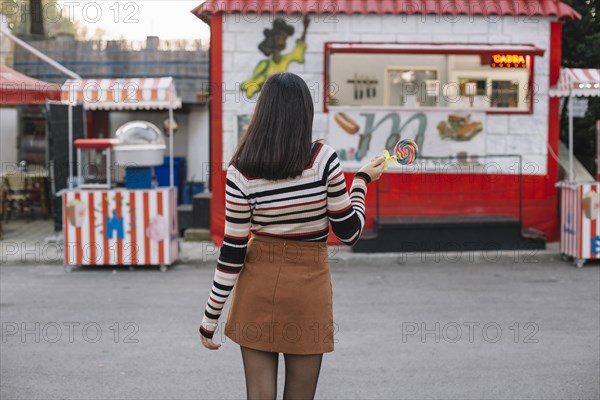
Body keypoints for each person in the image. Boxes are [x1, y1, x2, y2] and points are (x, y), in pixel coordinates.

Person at [199, 72, 385, 399]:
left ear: (263, 112)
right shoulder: (322, 159)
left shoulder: (241, 170)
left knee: (259, 395)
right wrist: (361, 182)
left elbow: (232, 252)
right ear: (305, 113)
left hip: (257, 287)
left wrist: (210, 316)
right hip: (307, 289)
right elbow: (350, 232)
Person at [240, 17, 310, 98]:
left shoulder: (285, 59)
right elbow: (250, 85)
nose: (282, 41)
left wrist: (305, 29)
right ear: (272, 40)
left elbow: (299, 48)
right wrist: (262, 84)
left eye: (284, 38)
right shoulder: (264, 64)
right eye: (279, 38)